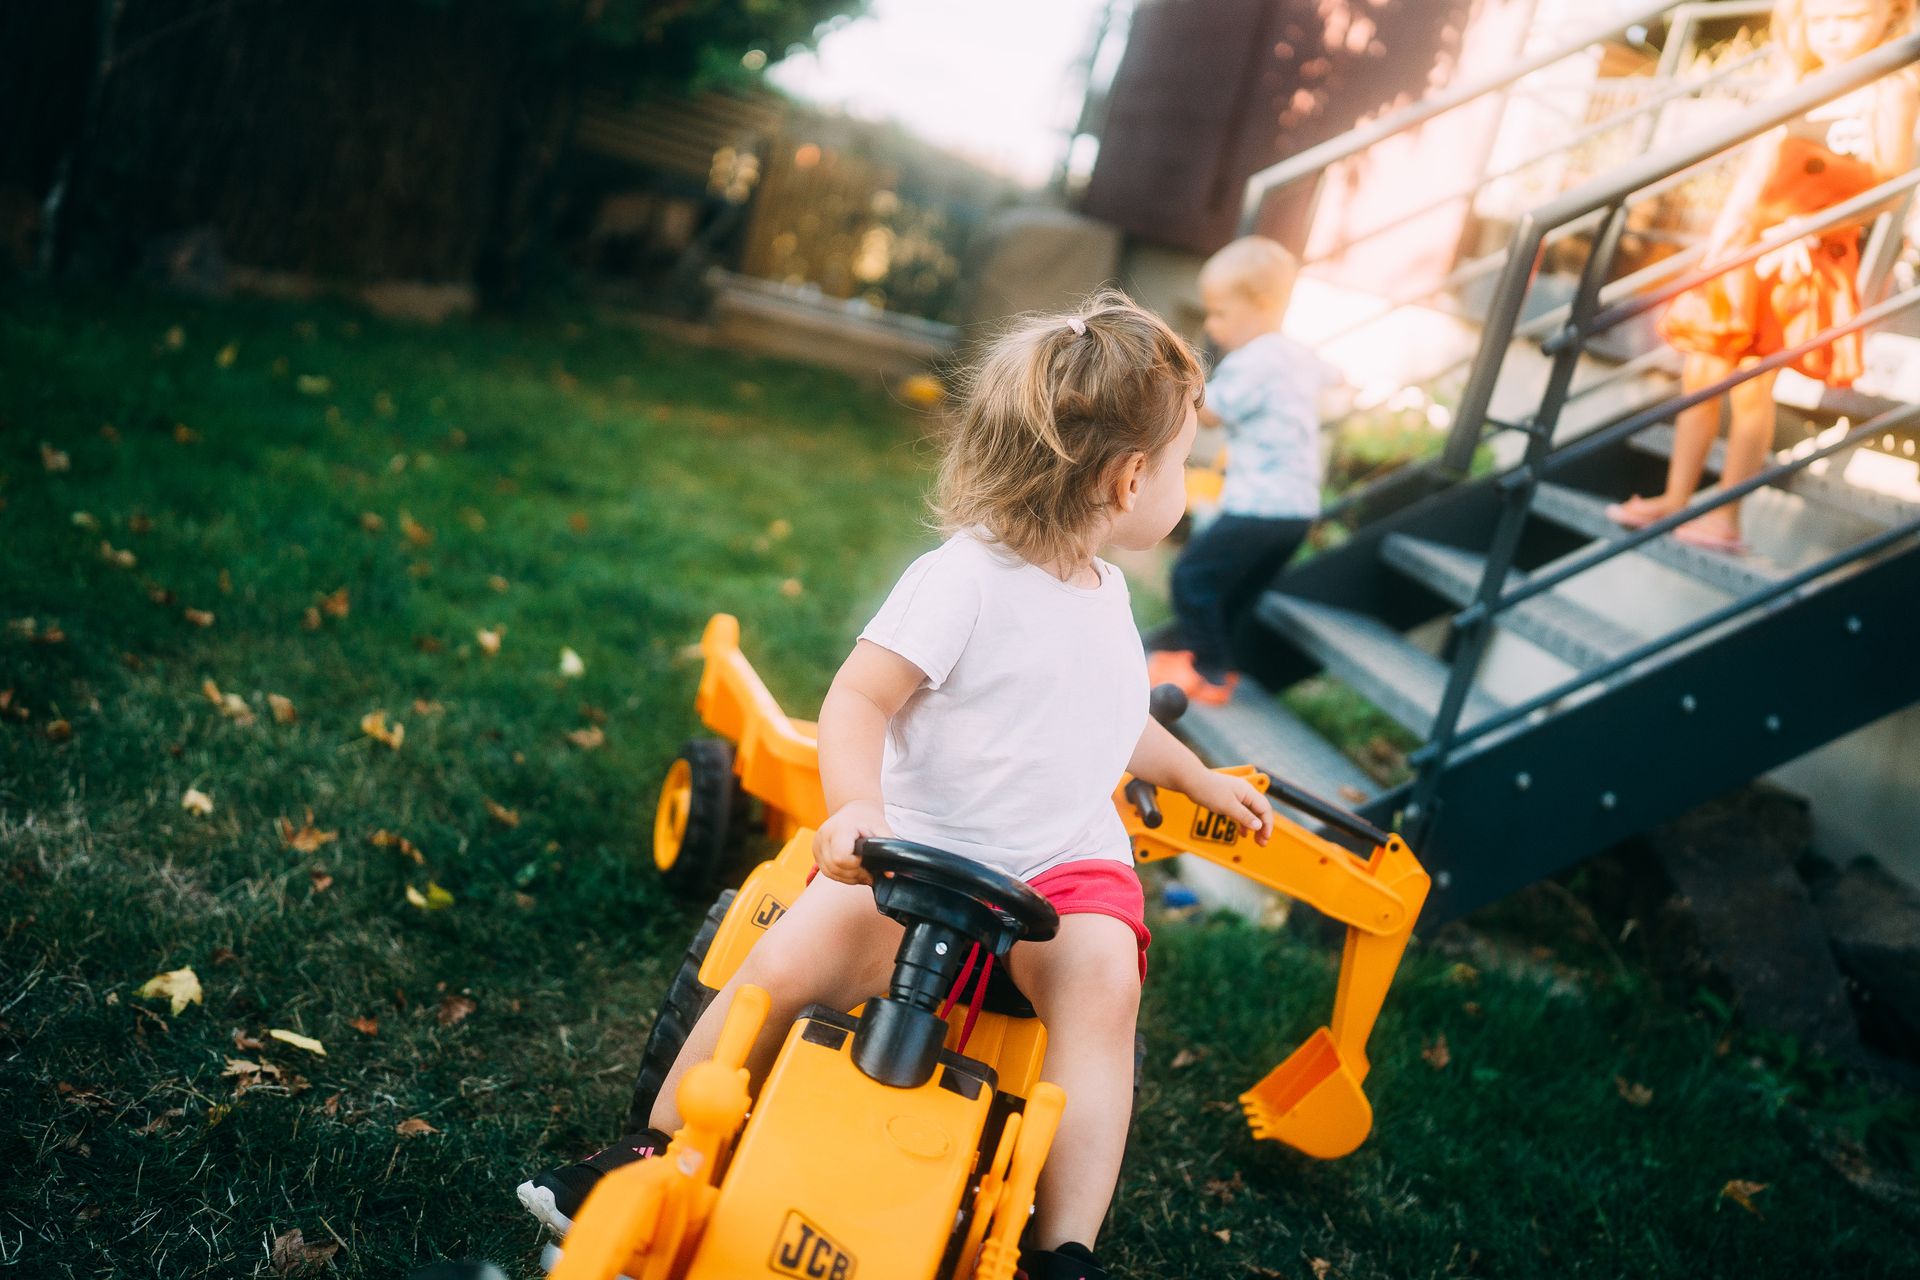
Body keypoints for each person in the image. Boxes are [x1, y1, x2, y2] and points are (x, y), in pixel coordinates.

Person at [517, 291, 1275, 1280]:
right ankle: (656, 1146)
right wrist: (859, 810)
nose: (1186, 484)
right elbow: (860, 698)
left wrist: (1198, 777)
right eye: (1183, 464)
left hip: (1066, 864)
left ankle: (1063, 1249)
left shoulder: (1105, 593)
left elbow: (1114, 717)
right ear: (1131, 479)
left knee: (1104, 990)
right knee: (784, 962)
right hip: (920, 848)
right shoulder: (964, 580)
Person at [1607, 0, 1918, 554]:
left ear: (1889, 15)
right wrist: (1721, 246)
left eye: (1849, 18)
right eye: (1820, 19)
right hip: (1752, 247)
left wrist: (1810, 228)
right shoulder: (1799, 80)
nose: (1833, 32)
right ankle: (1676, 497)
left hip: (1808, 253)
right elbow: (1756, 171)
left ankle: (1726, 517)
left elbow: (1889, 187)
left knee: (1752, 386)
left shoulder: (1890, 89)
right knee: (1701, 374)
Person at [1147, 235, 1342, 705]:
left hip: (1259, 504)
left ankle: (1207, 672)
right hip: (1297, 510)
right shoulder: (1296, 354)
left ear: (1260, 306)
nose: (1211, 326)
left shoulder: (1254, 360)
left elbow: (1212, 412)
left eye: (1219, 313)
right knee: (1235, 591)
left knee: (1191, 576)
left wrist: (1174, 384)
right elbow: (1335, 379)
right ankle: (1221, 666)